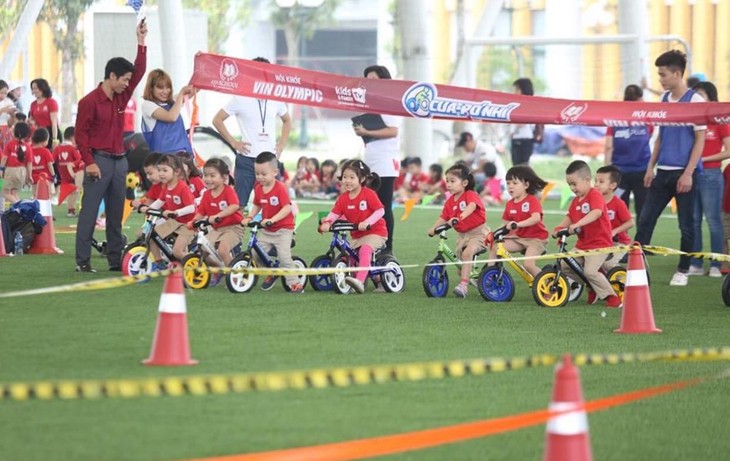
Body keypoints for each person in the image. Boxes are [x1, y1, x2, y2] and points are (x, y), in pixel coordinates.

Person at [74, 19, 147, 273]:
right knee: (89, 214)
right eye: (124, 80)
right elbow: (80, 136)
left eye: (129, 81)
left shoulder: (121, 96)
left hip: (120, 161)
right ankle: (82, 262)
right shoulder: (89, 102)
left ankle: (115, 261)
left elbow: (139, 72)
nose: (128, 84)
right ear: (112, 76)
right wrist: (89, 162)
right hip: (99, 161)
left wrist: (141, 42)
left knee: (116, 215)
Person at [634, 50, 707, 287]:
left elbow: (700, 140)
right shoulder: (663, 100)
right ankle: (636, 267)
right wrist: (649, 168)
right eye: (659, 75)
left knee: (686, 225)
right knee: (645, 220)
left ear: (677, 73)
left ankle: (683, 270)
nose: (661, 79)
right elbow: (660, 138)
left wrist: (688, 172)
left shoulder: (695, 101)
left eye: (663, 75)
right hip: (662, 172)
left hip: (684, 173)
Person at [212, 57, 291, 211]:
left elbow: (287, 121)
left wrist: (281, 145)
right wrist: (233, 142)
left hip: (269, 160)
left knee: (274, 204)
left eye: (265, 73)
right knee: (238, 205)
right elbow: (217, 120)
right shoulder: (240, 97)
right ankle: (236, 235)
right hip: (247, 160)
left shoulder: (276, 98)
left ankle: (270, 235)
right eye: (258, 73)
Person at [553, 161, 622, 308]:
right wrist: (560, 228)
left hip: (600, 244)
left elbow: (596, 212)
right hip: (583, 245)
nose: (572, 188)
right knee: (565, 265)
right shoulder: (576, 201)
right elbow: (570, 217)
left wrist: (578, 225)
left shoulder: (594, 195)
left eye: (574, 184)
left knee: (590, 271)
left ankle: (612, 298)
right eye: (569, 184)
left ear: (586, 180)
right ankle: (593, 287)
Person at [319, 160, 388, 294]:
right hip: (357, 235)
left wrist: (367, 222)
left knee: (365, 251)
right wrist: (327, 222)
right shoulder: (343, 198)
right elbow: (335, 213)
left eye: (352, 177)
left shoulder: (368, 194)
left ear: (361, 179)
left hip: (376, 232)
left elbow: (380, 211)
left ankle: (360, 282)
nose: (347, 181)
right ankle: (363, 277)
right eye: (345, 177)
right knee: (349, 255)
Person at [354, 65, 400, 254]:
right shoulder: (370, 104)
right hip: (371, 159)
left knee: (383, 204)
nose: (370, 83)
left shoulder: (390, 102)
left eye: (374, 78)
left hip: (385, 161)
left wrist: (367, 131)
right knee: (369, 204)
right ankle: (373, 242)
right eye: (367, 79)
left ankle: (387, 246)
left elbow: (393, 130)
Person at [687, 81, 730, 277]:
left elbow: (728, 151)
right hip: (691, 174)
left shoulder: (720, 121)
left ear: (711, 98)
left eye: (700, 95)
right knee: (693, 220)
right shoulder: (692, 120)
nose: (697, 99)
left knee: (714, 221)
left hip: (711, 175)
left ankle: (716, 265)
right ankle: (695, 264)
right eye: (694, 95)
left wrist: (702, 159)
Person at [245, 151, 303, 293]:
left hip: (283, 229)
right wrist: (250, 217)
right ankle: (272, 271)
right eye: (257, 174)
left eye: (263, 174)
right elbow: (257, 204)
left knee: (284, 257)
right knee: (255, 254)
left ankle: (294, 283)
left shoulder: (280, 188)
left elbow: (287, 208)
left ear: (275, 172)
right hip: (267, 230)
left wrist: (272, 219)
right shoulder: (259, 188)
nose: (260, 177)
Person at [427, 163, 488, 298]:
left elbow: (471, 206)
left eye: (453, 181)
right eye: (447, 181)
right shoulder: (450, 202)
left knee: (467, 255)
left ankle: (463, 286)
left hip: (478, 233)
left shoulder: (469, 194)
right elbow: (443, 217)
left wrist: (460, 217)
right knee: (462, 267)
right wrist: (434, 228)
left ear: (465, 182)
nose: (449, 184)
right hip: (462, 236)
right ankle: (474, 278)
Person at [491, 165, 549, 278]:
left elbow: (536, 218)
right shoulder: (510, 203)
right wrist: (494, 233)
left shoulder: (532, 200)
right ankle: (489, 275)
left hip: (536, 239)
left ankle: (547, 284)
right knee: (496, 246)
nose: (510, 187)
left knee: (528, 264)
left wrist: (518, 224)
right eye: (508, 183)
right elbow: (505, 222)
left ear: (526, 185)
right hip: (519, 238)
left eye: (514, 183)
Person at [604, 84, 652, 218]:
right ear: (640, 99)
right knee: (642, 209)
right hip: (642, 170)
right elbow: (649, 137)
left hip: (619, 173)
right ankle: (642, 239)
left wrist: (606, 171)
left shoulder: (615, 118)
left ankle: (619, 238)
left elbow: (608, 146)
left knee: (618, 209)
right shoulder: (646, 118)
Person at [139, 154, 195, 265]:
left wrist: (176, 213)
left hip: (188, 224)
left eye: (165, 170)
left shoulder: (182, 187)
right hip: (175, 222)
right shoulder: (167, 187)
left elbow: (192, 207)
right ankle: (159, 262)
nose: (161, 174)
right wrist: (147, 209)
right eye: (159, 170)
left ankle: (196, 264)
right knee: (151, 235)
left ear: (177, 172)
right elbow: (160, 201)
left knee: (178, 252)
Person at [189, 157, 244, 268]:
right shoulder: (206, 195)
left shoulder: (228, 190)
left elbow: (234, 206)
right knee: (203, 249)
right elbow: (201, 212)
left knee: (223, 251)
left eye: (212, 176)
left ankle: (233, 275)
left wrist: (217, 216)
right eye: (205, 175)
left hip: (234, 228)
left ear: (224, 177)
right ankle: (218, 269)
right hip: (217, 229)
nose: (208, 179)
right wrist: (193, 221)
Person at [140, 69, 195, 155]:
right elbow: (171, 117)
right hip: (164, 160)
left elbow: (193, 88)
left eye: (168, 87)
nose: (165, 91)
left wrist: (201, 64)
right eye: (160, 88)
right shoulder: (147, 105)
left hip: (184, 155)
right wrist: (181, 94)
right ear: (151, 89)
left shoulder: (173, 102)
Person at [595, 165, 634, 271]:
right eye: (595, 181)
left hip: (619, 242)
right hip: (601, 242)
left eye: (601, 181)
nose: (596, 184)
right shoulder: (593, 202)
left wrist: (614, 231)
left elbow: (630, 222)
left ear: (612, 185)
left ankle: (622, 279)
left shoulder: (618, 204)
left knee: (608, 265)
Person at [0, 121, 32, 205]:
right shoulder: (28, 146)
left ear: (14, 132)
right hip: (22, 172)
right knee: (14, 192)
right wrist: (29, 175)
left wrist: (1, 169)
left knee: (5, 192)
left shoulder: (10, 144)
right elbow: (29, 163)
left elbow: (4, 158)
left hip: (11, 170)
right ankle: (19, 210)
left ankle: (21, 205)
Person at [54, 127, 83, 217]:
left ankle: (71, 210)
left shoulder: (57, 148)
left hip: (63, 175)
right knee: (75, 192)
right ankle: (72, 210)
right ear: (72, 138)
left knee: (71, 192)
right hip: (74, 174)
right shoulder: (72, 149)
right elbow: (79, 160)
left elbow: (52, 161)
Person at [509, 78, 538, 166]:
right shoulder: (516, 103)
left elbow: (524, 121)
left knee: (522, 167)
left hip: (524, 139)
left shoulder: (530, 104)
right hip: (516, 138)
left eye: (517, 89)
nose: (515, 91)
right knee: (516, 166)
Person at [29, 78, 60, 149]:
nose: (34, 91)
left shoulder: (51, 102)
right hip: (38, 133)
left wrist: (55, 139)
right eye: (33, 89)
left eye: (36, 88)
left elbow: (54, 123)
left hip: (50, 132)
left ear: (42, 88)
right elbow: (32, 119)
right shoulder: (33, 104)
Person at [29, 128, 56, 195]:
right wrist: (53, 175)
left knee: (36, 195)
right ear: (44, 141)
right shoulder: (46, 151)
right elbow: (50, 165)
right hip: (46, 178)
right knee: (48, 195)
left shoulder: (29, 151)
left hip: (34, 178)